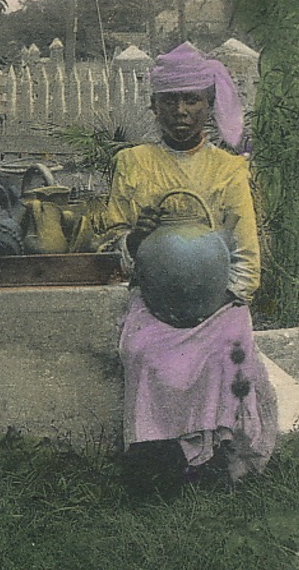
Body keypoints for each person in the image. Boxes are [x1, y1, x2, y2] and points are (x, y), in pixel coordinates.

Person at [102, 42, 277, 488]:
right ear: (153, 106)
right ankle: (158, 456)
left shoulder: (228, 169)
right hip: (155, 301)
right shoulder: (133, 163)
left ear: (208, 105)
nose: (181, 111)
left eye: (191, 100)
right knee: (142, 352)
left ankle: (221, 458)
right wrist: (137, 237)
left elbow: (246, 256)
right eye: (170, 101)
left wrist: (216, 301)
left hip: (218, 303)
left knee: (231, 353)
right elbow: (108, 240)